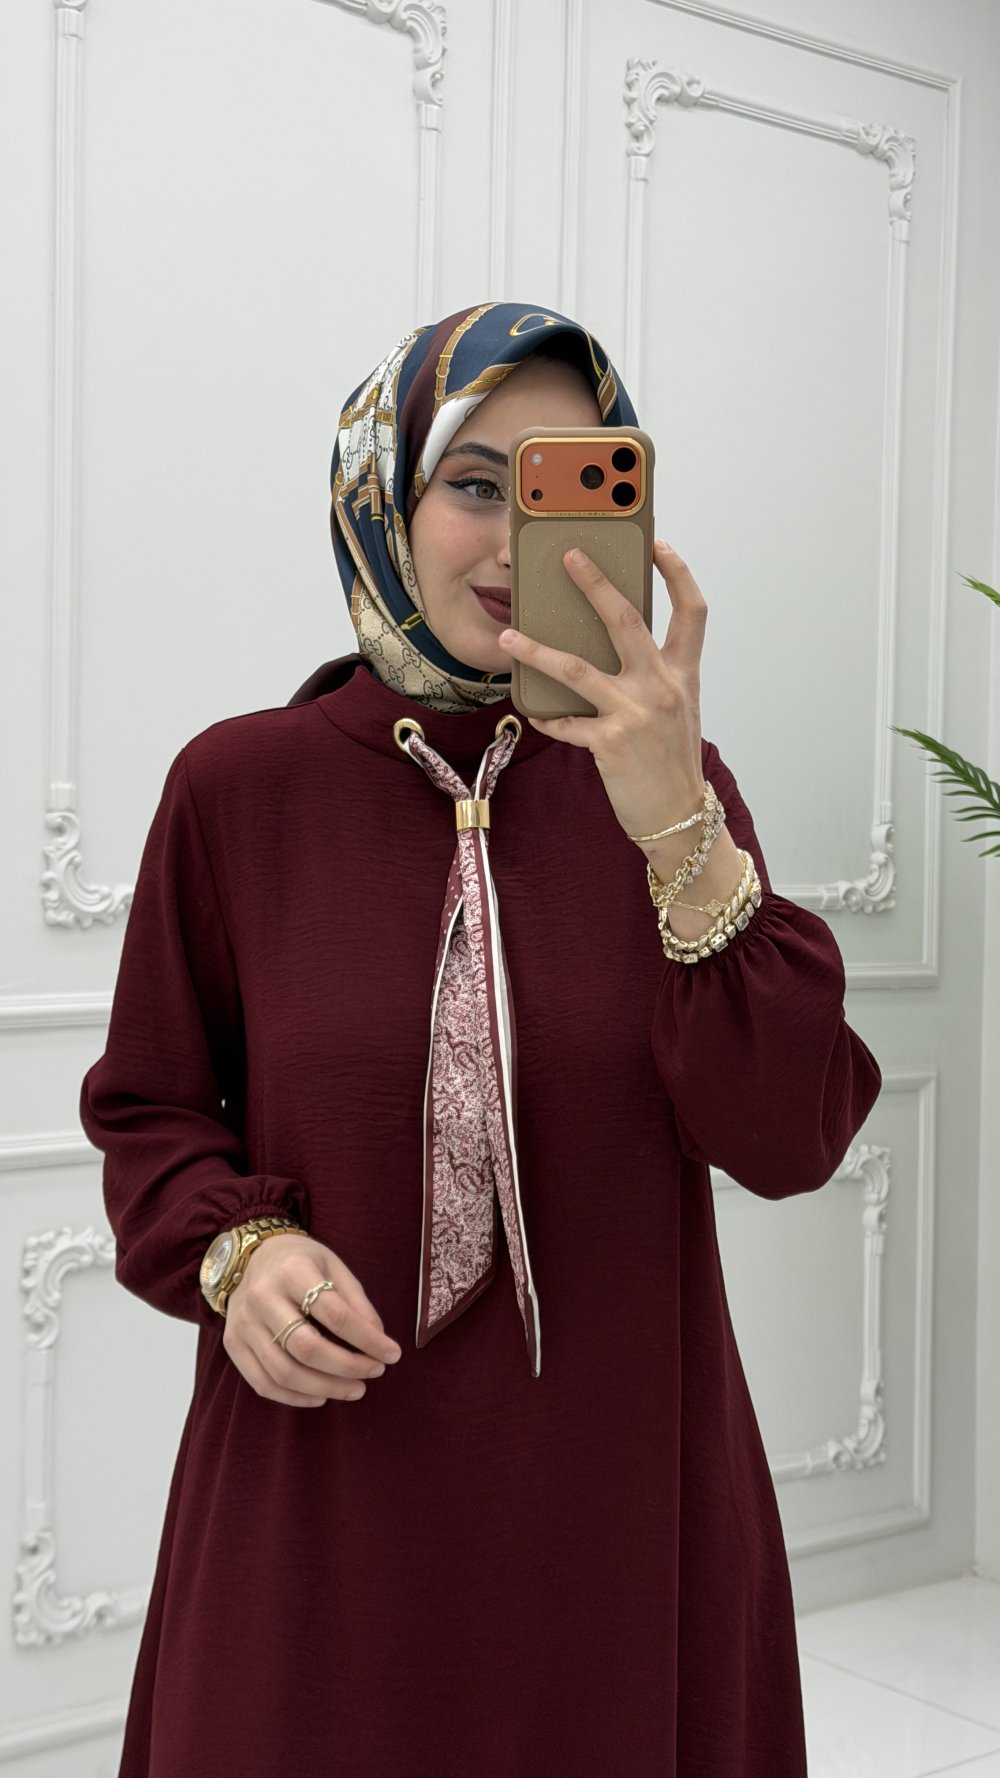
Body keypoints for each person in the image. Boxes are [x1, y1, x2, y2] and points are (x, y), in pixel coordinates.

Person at [80, 299, 881, 1778]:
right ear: (382, 495)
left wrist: (673, 821)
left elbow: (790, 1135)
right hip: (325, 1487)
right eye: (472, 483)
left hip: (620, 1499)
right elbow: (151, 1111)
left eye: (572, 488)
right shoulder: (237, 790)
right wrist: (237, 1255)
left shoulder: (675, 790)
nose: (520, 542)